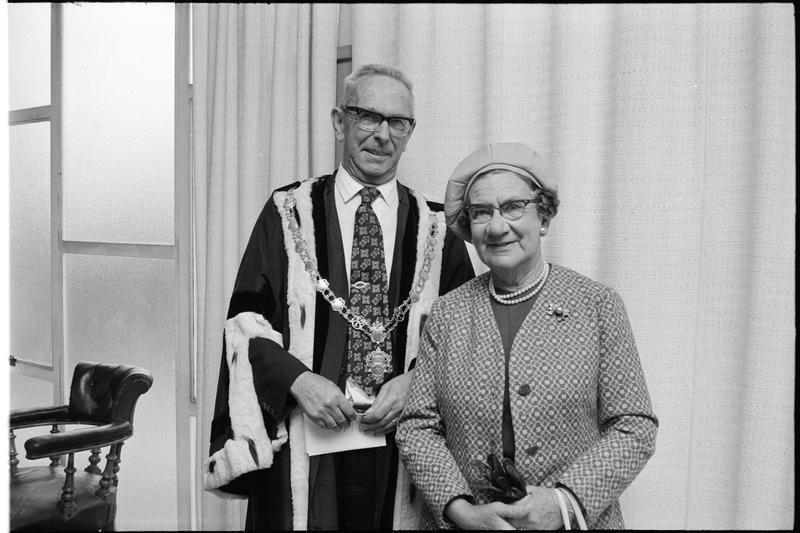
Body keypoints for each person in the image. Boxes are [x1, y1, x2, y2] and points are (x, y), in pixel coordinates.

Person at [203, 63, 474, 530]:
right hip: (307, 434)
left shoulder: (436, 229)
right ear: (338, 121)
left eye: (398, 123)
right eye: (367, 116)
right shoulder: (289, 212)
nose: (382, 135)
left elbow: (468, 333)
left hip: (399, 442)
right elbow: (245, 322)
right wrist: (297, 381)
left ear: (410, 133)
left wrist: (415, 384)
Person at [395, 142, 658, 529]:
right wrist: (461, 511)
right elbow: (417, 427)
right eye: (482, 213)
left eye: (514, 206)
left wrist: (565, 502)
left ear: (544, 217)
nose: (498, 226)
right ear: (469, 228)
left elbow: (635, 425)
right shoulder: (447, 314)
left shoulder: (597, 304)